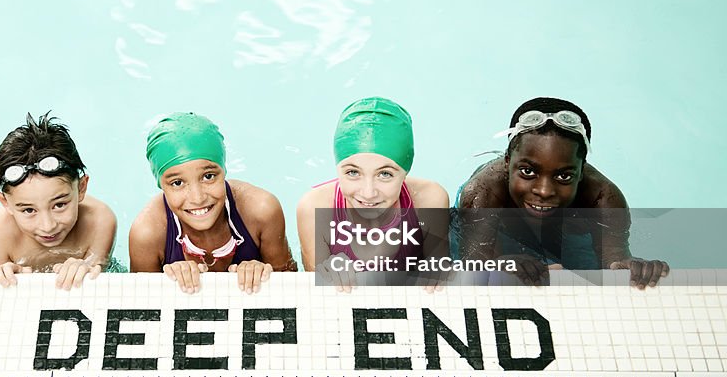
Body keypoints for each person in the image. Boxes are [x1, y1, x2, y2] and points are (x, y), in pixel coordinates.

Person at [454, 97, 669, 288]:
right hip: (499, 227)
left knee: (588, 281)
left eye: (564, 176)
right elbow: (473, 268)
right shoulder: (482, 193)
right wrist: (500, 263)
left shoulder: (603, 198)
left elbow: (615, 263)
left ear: (582, 170)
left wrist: (632, 269)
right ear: (507, 161)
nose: (544, 191)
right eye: (528, 171)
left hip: (566, 232)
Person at [129, 112, 296, 293]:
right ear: (161, 185)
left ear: (224, 170)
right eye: (177, 183)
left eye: (208, 177)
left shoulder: (261, 210)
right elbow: (141, 308)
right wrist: (168, 282)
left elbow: (294, 286)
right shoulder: (148, 233)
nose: (197, 198)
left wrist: (264, 273)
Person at [297, 97, 450, 288]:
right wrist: (327, 274)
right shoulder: (313, 208)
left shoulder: (429, 200)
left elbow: (440, 273)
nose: (368, 193)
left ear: (405, 172)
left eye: (385, 174)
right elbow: (314, 292)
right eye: (353, 172)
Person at [0, 113, 117, 289]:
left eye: (59, 205)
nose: (48, 226)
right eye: (29, 210)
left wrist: (87, 268)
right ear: (5, 202)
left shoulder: (99, 221)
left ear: (81, 187)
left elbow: (102, 284)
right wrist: (6, 278)